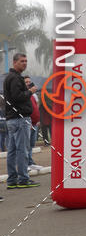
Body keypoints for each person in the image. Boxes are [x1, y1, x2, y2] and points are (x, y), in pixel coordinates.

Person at [3, 53, 40, 189]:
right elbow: (17, 97)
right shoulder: (15, 78)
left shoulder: (11, 77)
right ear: (14, 62)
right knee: (22, 150)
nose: (24, 63)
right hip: (19, 119)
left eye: (26, 61)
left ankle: (12, 180)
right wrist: (30, 91)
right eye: (22, 61)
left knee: (12, 151)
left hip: (12, 119)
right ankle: (23, 179)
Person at [23, 75, 44, 171]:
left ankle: (30, 163)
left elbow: (36, 107)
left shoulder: (34, 95)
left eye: (29, 82)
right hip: (27, 123)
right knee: (25, 145)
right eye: (26, 82)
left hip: (35, 123)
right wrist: (29, 123)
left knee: (31, 144)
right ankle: (25, 164)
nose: (28, 83)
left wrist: (38, 120)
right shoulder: (23, 94)